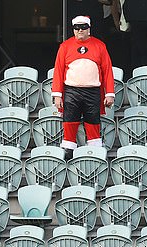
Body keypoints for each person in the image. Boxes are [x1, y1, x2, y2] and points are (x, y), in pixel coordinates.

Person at [51, 15, 115, 158]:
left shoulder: (100, 45)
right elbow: (58, 71)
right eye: (76, 28)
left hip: (92, 91)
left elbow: (107, 70)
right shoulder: (65, 46)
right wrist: (57, 94)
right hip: (71, 90)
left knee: (93, 119)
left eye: (83, 27)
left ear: (89, 29)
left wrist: (109, 93)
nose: (80, 30)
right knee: (70, 120)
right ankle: (68, 148)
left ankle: (94, 149)